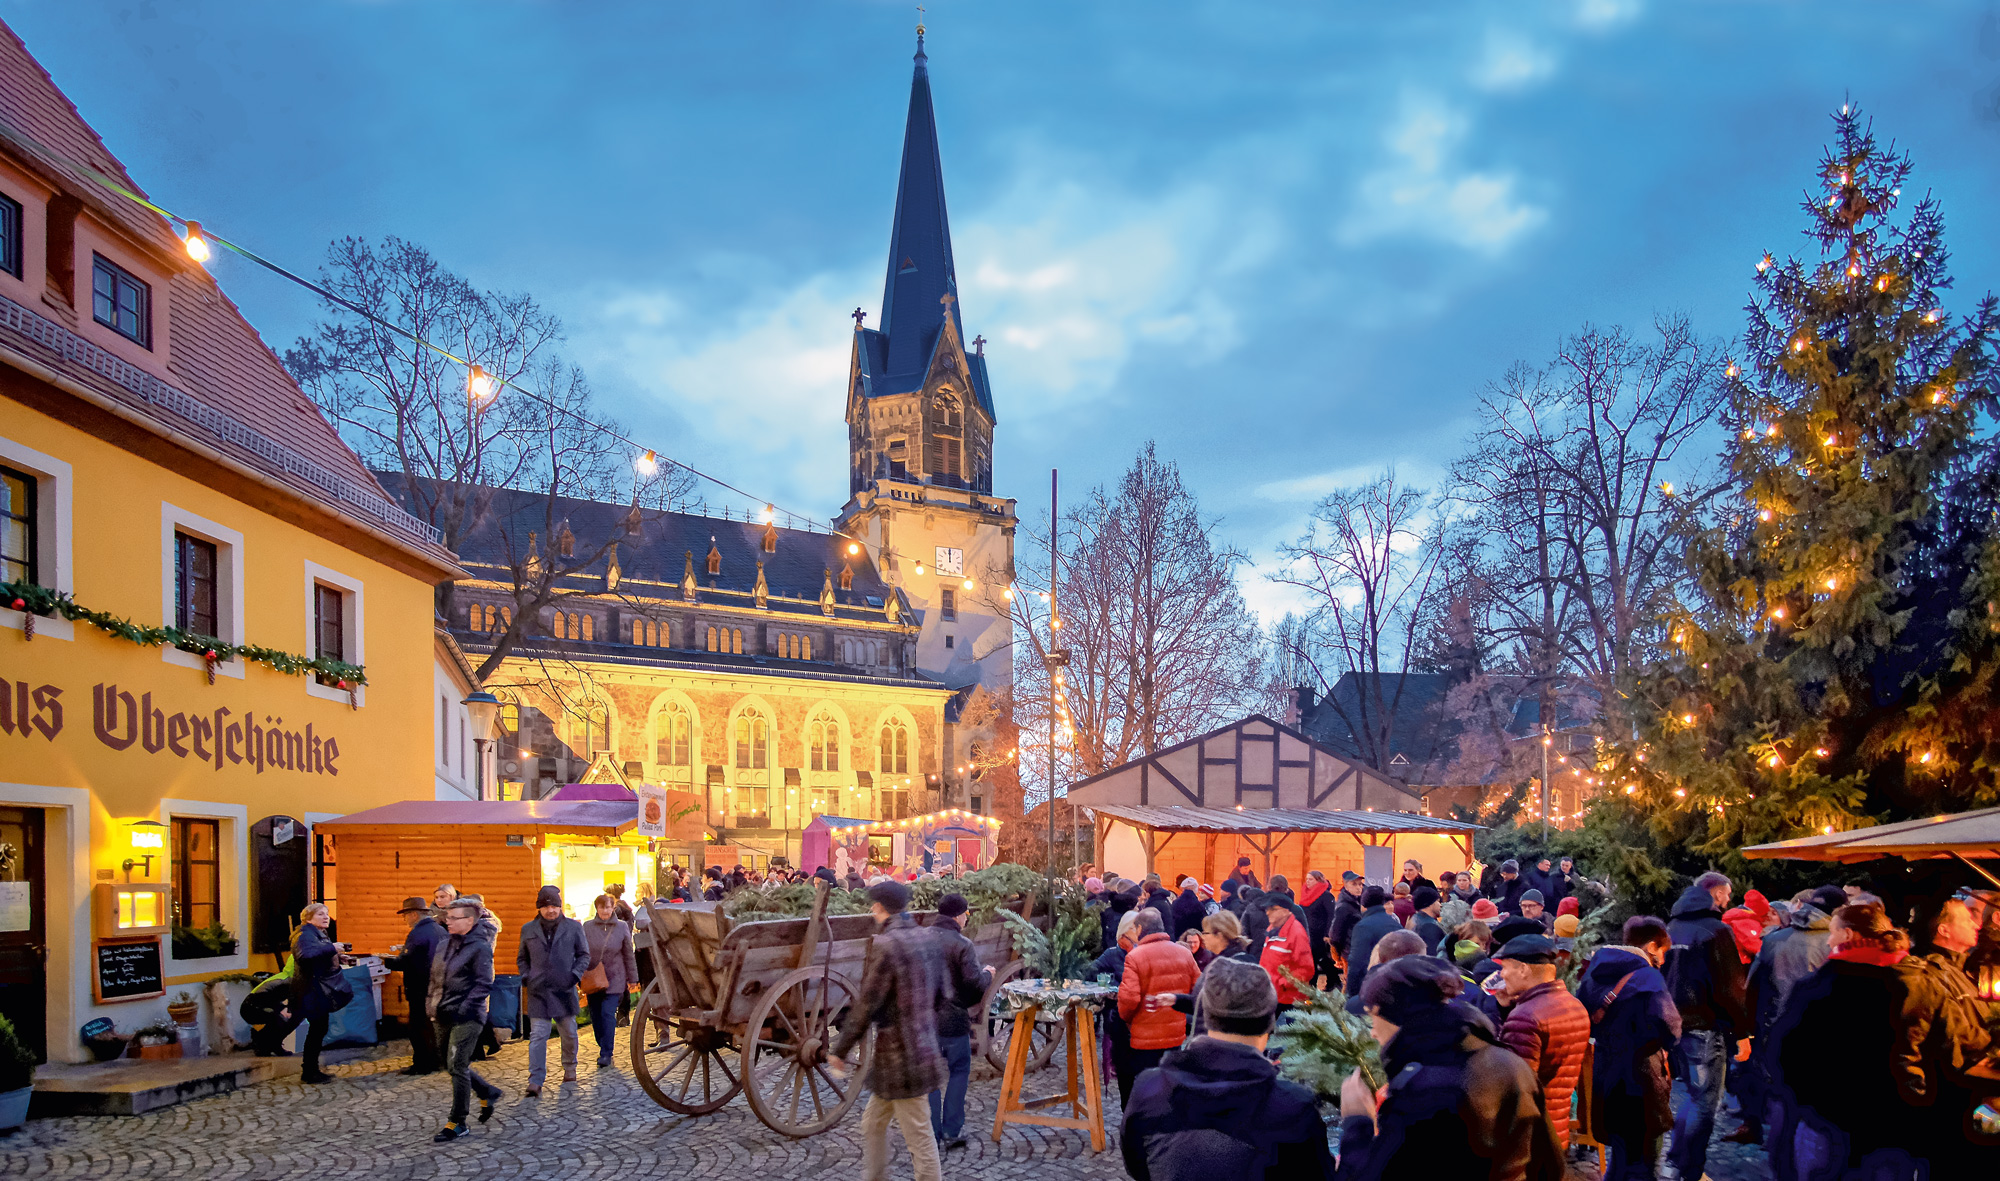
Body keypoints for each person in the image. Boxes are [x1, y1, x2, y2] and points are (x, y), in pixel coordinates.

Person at [1334, 955, 1565, 1179]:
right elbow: (1550, 1164)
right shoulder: (1509, 1061)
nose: (1373, 1031)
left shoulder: (1420, 1092)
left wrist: (1357, 1121)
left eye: (1372, 1015)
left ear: (1397, 1016)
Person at [1120, 957, 1333, 1181]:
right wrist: (1360, 1125)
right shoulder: (1294, 1108)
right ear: (1269, 1025)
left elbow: (1139, 1167)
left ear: (1207, 1016)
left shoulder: (1149, 1089)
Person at [1772, 901, 1918, 1176]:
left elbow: (1784, 1051)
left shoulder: (1820, 985)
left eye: (1833, 931)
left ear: (1848, 936)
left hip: (1829, 1117)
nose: (1828, 939)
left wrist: (1801, 1101)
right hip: (1894, 1123)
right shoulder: (1915, 978)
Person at [829, 880, 945, 1181]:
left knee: (919, 1135)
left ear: (879, 908)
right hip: (915, 1049)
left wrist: (840, 1050)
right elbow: (943, 994)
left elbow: (867, 1003)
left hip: (903, 1058)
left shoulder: (887, 945)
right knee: (872, 1123)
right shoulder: (928, 938)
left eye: (873, 905)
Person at [1892, 896, 1996, 1173]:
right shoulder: (1926, 975)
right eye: (1967, 918)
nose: (1976, 924)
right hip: (1956, 1102)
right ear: (1944, 930)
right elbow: (1938, 1045)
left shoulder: (1964, 969)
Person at [1662, 870, 1752, 1181]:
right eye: (1726, 893)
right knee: (1703, 1102)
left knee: (1691, 1095)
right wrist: (1742, 1032)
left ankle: (1676, 1160)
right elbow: (1730, 986)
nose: (1729, 899)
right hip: (1706, 1026)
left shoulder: (1672, 927)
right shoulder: (1716, 930)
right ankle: (1689, 1169)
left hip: (1677, 1024)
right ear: (1714, 894)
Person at [1578, 916, 1680, 1181]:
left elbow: (1583, 1012)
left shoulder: (1594, 971)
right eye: (1663, 951)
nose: (1664, 960)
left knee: (1621, 1150)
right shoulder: (1648, 978)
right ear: (1651, 946)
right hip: (1641, 1076)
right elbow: (1670, 1026)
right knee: (1644, 1156)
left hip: (1605, 1068)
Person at [1491, 933, 1589, 1153]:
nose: (1501, 975)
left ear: (1524, 969)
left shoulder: (1526, 1017)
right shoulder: (1573, 1005)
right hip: (1556, 1127)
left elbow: (1515, 1086)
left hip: (1529, 1138)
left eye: (1505, 967)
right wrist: (1507, 1010)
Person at [430, 899, 502, 1141]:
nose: (447, 921)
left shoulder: (480, 947)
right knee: (449, 1064)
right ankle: (486, 1091)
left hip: (468, 1015)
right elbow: (435, 979)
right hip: (442, 1013)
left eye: (453, 918)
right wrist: (432, 1006)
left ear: (469, 921)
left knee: (458, 1066)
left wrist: (464, 1008)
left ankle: (457, 1121)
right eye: (447, 917)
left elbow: (484, 983)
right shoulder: (443, 944)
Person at [1116, 908, 1200, 1108]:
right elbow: (1198, 991)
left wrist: (1126, 1019)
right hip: (1175, 1033)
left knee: (1146, 1084)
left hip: (1144, 1036)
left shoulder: (1135, 957)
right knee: (1168, 1081)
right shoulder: (1185, 953)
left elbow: (1129, 1000)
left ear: (1140, 928)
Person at [927, 893, 991, 1151]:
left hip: (925, 1021)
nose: (968, 917)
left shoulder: (920, 939)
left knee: (931, 1078)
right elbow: (974, 987)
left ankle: (930, 1133)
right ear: (957, 916)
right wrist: (987, 974)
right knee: (959, 1070)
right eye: (966, 913)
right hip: (953, 1020)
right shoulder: (962, 944)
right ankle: (952, 1131)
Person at [517, 884, 591, 1096]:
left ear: (560, 907)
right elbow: (522, 958)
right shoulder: (528, 929)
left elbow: (584, 955)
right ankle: (536, 1079)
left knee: (569, 1033)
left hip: (564, 989)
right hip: (538, 991)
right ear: (539, 908)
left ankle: (570, 1067)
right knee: (538, 1036)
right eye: (546, 906)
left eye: (554, 906)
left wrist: (574, 976)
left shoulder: (573, 928)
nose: (551, 910)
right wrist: (527, 976)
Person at [288, 902, 350, 1084]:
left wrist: (337, 957)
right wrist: (332, 949)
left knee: (319, 1029)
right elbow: (305, 956)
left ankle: (311, 1069)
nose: (326, 917)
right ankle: (309, 1071)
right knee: (316, 1029)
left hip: (317, 989)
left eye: (327, 913)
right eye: (320, 914)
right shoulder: (304, 935)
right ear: (308, 918)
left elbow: (317, 955)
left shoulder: (318, 934)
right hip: (311, 990)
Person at [383, 895, 445, 1075]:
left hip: (420, 986)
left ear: (414, 915)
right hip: (437, 985)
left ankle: (422, 1064)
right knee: (432, 1026)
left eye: (405, 915)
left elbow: (406, 962)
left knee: (418, 1027)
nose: (404, 920)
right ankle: (435, 1060)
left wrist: (387, 961)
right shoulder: (439, 930)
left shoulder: (417, 933)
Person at [581, 893, 638, 1069]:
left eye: (608, 907)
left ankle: (606, 1052)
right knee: (596, 1017)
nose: (605, 911)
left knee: (607, 1014)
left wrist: (633, 977)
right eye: (601, 907)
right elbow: (581, 951)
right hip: (594, 978)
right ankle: (602, 1042)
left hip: (615, 978)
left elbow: (628, 954)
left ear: (613, 908)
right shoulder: (587, 926)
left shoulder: (621, 927)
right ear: (596, 908)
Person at [1259, 895, 1316, 1012]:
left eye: (1273, 909)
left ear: (1286, 911)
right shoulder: (1272, 929)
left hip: (1289, 1000)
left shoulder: (1297, 933)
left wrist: (1281, 984)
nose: (1268, 913)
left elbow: (1306, 969)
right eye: (1267, 909)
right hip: (1272, 995)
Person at [1344, 886, 1400, 999]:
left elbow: (1357, 961)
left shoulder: (1363, 926)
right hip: (1394, 984)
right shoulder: (1395, 924)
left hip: (1371, 987)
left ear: (1363, 904)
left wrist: (1351, 994)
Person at [1300, 869, 1340, 984]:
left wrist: (1328, 933)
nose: (1307, 882)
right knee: (1318, 958)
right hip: (1307, 931)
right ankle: (1333, 980)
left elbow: (1331, 915)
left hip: (1320, 933)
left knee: (1317, 958)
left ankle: (1316, 983)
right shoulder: (1305, 894)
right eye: (1307, 879)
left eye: (1311, 879)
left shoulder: (1326, 896)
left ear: (1318, 880)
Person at [1328, 871, 1366, 969]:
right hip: (1349, 951)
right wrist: (1338, 953)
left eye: (1360, 884)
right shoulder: (1344, 906)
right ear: (1345, 885)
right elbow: (1336, 931)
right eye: (1354, 884)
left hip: (1359, 950)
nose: (1358, 887)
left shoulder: (1359, 901)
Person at [1408, 887, 1445, 955]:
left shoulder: (1414, 918)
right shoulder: (1429, 926)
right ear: (1430, 904)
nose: (1440, 905)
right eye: (1438, 901)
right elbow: (1432, 955)